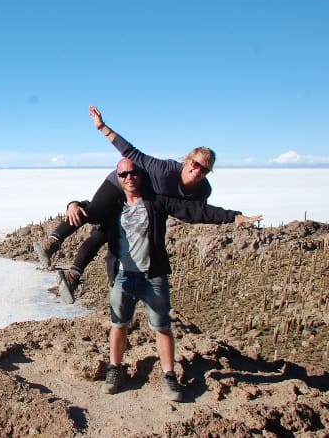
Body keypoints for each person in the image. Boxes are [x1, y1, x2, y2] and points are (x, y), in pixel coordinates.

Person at [100, 157, 261, 401]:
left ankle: (169, 375)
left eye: (133, 173)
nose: (129, 178)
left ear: (141, 176)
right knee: (119, 324)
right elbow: (91, 211)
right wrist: (72, 205)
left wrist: (232, 216)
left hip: (153, 276)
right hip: (123, 275)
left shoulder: (157, 202)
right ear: (118, 178)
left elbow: (195, 211)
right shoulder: (113, 207)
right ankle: (114, 369)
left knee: (162, 327)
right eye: (123, 175)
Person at [34, 105, 217, 304]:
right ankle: (51, 243)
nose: (198, 171)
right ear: (187, 161)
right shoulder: (163, 170)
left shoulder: (203, 191)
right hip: (123, 181)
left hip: (138, 199)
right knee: (94, 214)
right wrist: (102, 127)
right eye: (196, 164)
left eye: (204, 170)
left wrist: (232, 217)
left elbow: (195, 212)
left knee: (103, 234)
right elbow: (130, 151)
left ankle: (72, 278)